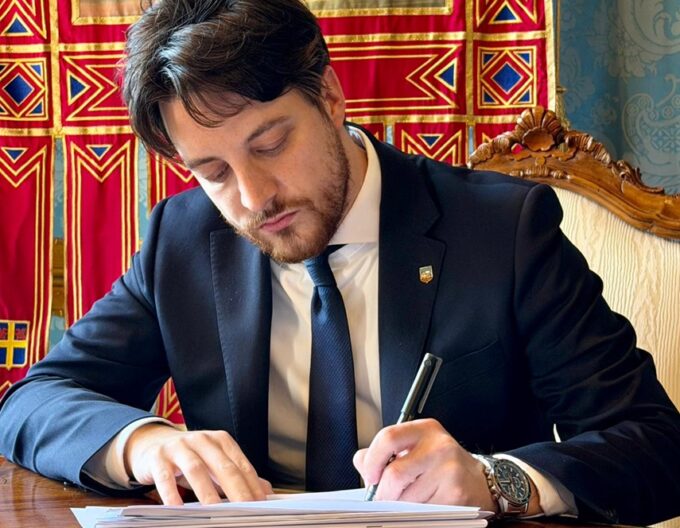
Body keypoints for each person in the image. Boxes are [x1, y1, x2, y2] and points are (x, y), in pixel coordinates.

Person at [1, 0, 679, 524]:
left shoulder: (503, 231)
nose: (253, 199)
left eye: (269, 145)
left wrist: (495, 480)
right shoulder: (182, 239)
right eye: (213, 171)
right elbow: (31, 402)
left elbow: (656, 446)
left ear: (329, 97)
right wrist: (143, 442)